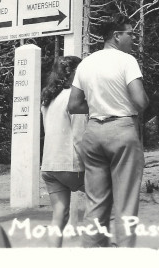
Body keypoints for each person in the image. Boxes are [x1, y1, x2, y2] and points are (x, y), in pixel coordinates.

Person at [68, 15, 148, 248]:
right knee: (126, 201)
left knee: (96, 201)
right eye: (130, 34)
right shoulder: (127, 60)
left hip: (93, 133)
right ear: (117, 36)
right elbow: (140, 101)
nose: (133, 38)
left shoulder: (86, 63)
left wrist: (95, 106)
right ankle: (123, 259)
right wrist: (136, 101)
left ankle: (92, 254)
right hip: (122, 130)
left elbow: (73, 105)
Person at [39, 55, 84, 248]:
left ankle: (51, 261)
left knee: (59, 214)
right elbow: (80, 137)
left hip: (49, 165)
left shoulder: (47, 100)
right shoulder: (75, 99)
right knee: (102, 199)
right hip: (71, 164)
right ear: (74, 74)